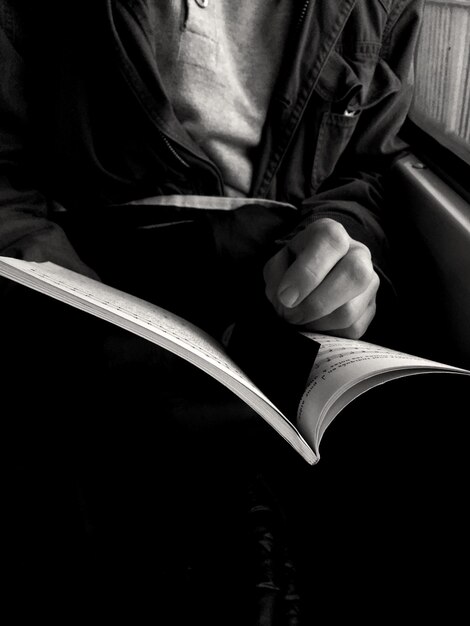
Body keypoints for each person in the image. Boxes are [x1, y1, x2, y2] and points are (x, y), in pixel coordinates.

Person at [2, 1, 467, 624]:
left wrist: (345, 241)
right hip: (93, 268)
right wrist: (45, 265)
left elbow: (367, 168)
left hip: (279, 279)